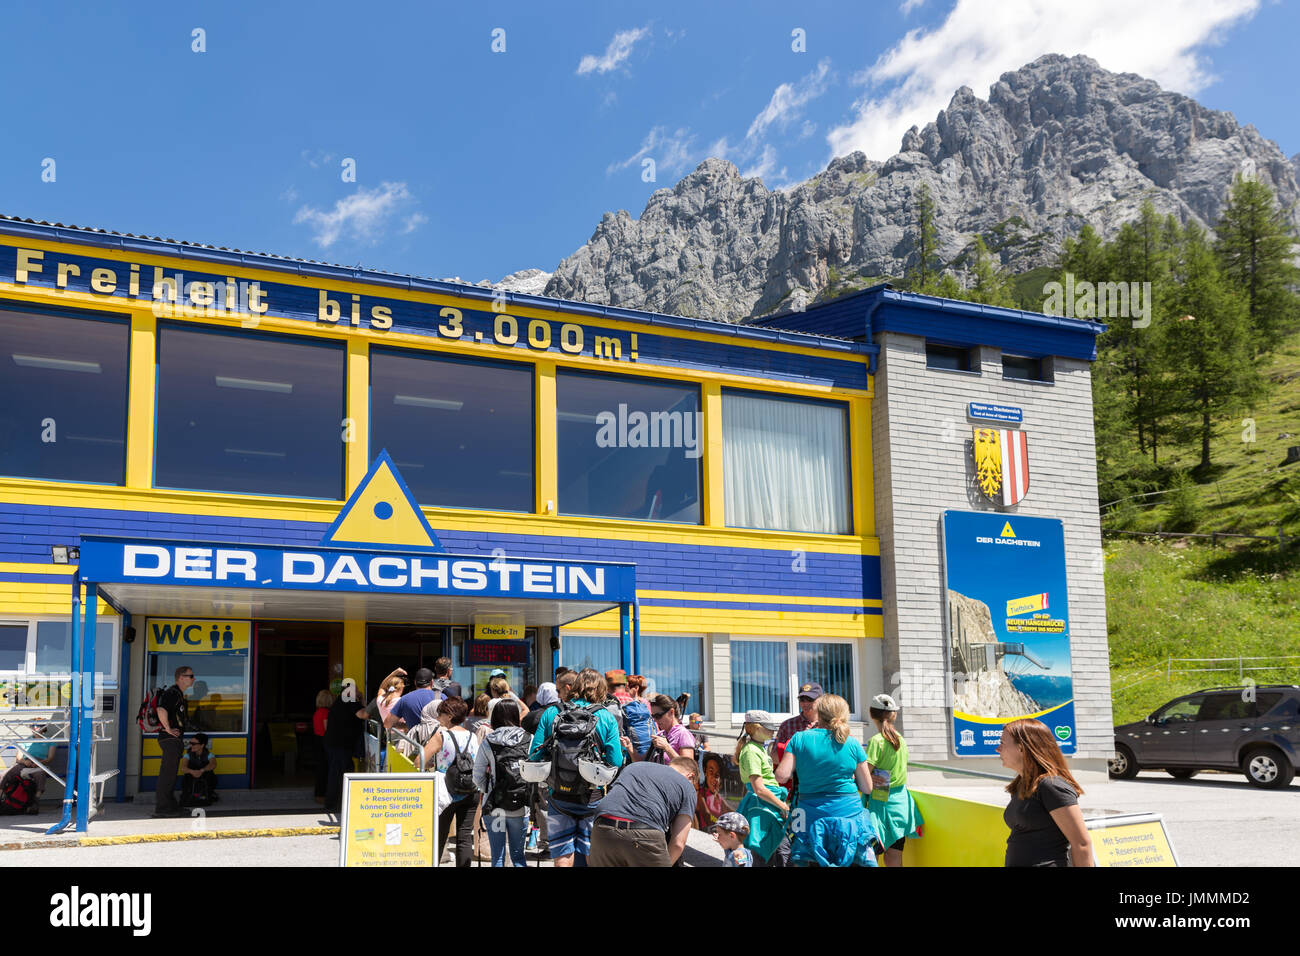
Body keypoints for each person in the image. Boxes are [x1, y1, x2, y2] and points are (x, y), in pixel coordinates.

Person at [528, 667, 624, 867]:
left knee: (562, 855)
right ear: (600, 690)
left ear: (575, 686)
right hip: (592, 796)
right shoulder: (605, 716)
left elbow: (535, 754)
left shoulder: (552, 712)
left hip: (558, 796)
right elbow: (616, 761)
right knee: (592, 854)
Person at [776, 693, 878, 867]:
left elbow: (781, 775)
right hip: (850, 817)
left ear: (819, 712)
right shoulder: (852, 743)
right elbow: (867, 788)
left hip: (809, 818)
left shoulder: (799, 738)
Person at [998, 718, 1093, 867]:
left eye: (1002, 743)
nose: (998, 749)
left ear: (1022, 748)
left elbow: (1082, 844)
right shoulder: (1022, 785)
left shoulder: (1051, 785)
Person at [588, 757, 698, 867]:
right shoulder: (687, 786)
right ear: (691, 776)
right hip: (643, 832)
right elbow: (678, 843)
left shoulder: (635, 766)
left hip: (602, 826)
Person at [864, 693, 923, 867]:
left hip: (880, 810)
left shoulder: (876, 741)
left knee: (871, 857)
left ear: (871, 714)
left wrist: (866, 777)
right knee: (895, 857)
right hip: (901, 806)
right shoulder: (901, 740)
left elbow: (864, 775)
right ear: (894, 714)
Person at [473, 700, 531, 867]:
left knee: (497, 857)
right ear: (516, 715)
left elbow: (477, 776)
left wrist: (489, 789)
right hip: (521, 806)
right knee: (518, 857)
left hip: (495, 807)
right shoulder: (529, 739)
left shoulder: (488, 741)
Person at [423, 696, 479, 867]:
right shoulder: (472, 736)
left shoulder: (441, 736)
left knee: (439, 835)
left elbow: (419, 761)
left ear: (449, 715)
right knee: (464, 837)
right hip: (470, 789)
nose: (438, 717)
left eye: (440, 713)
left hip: (445, 791)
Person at [735, 709, 791, 866]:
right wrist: (782, 806)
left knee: (776, 850)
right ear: (756, 728)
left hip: (766, 805)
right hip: (761, 807)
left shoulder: (757, 748)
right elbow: (759, 788)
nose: (773, 730)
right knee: (762, 851)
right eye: (769, 727)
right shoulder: (751, 751)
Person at [154, 665, 195, 817]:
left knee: (170, 775)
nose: (193, 679)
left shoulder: (178, 694)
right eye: (190, 676)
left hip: (173, 740)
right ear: (181, 678)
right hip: (169, 739)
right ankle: (163, 808)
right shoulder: (172, 693)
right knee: (167, 775)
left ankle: (171, 806)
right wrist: (168, 729)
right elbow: (160, 710)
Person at [323, 679, 367, 813]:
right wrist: (363, 699)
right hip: (340, 745)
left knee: (340, 771)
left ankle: (337, 803)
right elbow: (363, 715)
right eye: (356, 689)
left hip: (335, 743)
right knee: (337, 774)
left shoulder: (341, 700)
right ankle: (332, 805)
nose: (358, 691)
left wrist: (360, 698)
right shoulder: (350, 700)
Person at [645, 694, 695, 764]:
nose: (655, 720)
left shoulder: (683, 734)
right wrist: (630, 748)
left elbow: (688, 767)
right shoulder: (660, 734)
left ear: (671, 712)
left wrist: (667, 747)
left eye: (658, 716)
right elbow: (645, 761)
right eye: (653, 716)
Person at [695, 752, 735, 831]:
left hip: (719, 831)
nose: (714, 778)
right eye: (711, 772)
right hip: (707, 833)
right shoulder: (701, 794)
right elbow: (707, 816)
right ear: (705, 771)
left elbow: (729, 810)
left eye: (717, 775)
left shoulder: (717, 796)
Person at [179, 733, 218, 807]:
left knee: (211, 775)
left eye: (194, 744)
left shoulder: (209, 754)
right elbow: (183, 768)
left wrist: (201, 771)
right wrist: (192, 771)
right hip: (192, 777)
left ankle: (207, 795)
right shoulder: (187, 755)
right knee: (186, 777)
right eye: (190, 743)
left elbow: (213, 764)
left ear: (202, 745)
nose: (191, 745)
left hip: (204, 777)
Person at [312, 689, 332, 803]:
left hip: (317, 740)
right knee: (324, 769)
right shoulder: (326, 712)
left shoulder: (317, 712)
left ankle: (318, 794)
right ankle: (322, 795)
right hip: (324, 741)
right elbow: (327, 729)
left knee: (320, 768)